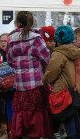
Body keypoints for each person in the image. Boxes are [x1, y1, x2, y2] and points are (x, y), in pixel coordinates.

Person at [6, 11, 52, 139]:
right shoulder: (36, 39)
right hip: (35, 83)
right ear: (32, 23)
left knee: (20, 110)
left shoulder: (11, 39)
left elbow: (9, 60)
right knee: (35, 111)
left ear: (18, 23)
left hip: (20, 84)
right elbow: (47, 58)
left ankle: (21, 133)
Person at [44, 25, 80, 139]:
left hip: (64, 91)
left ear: (58, 39)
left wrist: (44, 80)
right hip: (77, 90)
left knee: (68, 119)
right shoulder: (78, 53)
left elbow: (51, 73)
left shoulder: (58, 53)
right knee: (75, 118)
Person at [0, 33, 13, 137]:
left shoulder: (13, 54)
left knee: (10, 109)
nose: (3, 43)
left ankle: (11, 131)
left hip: (11, 88)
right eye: (1, 41)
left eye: (5, 41)